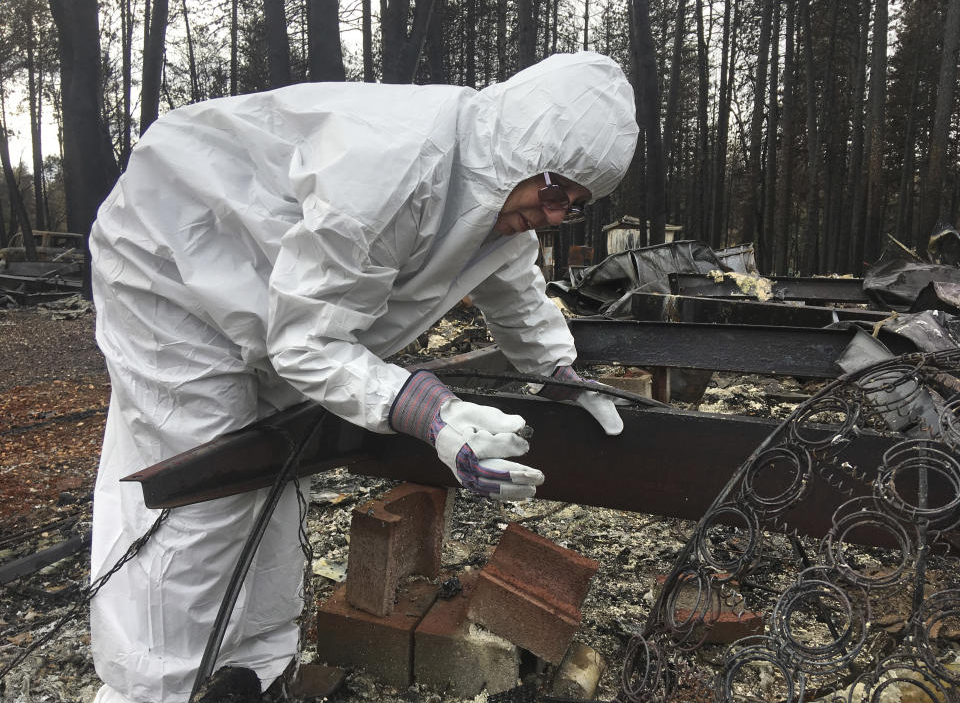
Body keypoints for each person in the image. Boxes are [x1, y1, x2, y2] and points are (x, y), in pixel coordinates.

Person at [88, 51, 639, 702]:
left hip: (274, 293)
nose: (554, 215)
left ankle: (261, 671)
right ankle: (157, 687)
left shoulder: (496, 197)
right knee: (204, 483)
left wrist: (560, 374)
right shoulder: (393, 168)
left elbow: (516, 291)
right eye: (555, 192)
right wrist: (426, 409)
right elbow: (303, 342)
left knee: (273, 466)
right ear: (518, 150)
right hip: (173, 261)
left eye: (573, 206)